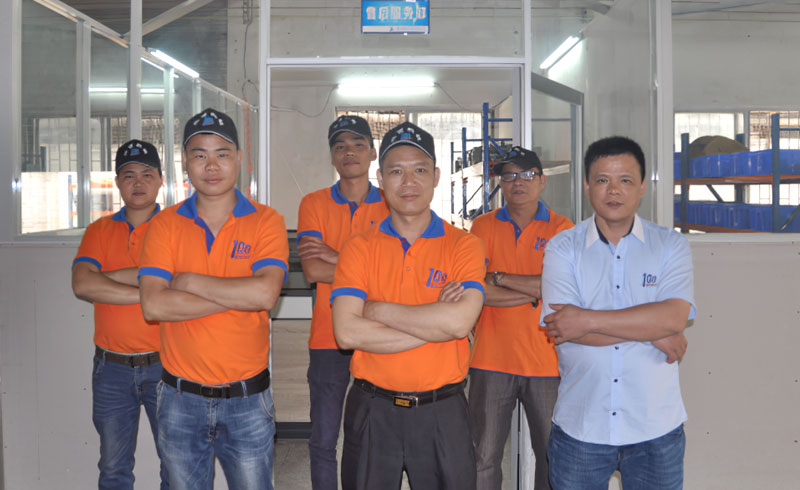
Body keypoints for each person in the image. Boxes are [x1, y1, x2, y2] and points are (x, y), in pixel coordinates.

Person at [138, 108, 289, 490]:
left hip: (248, 399)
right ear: (185, 162)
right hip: (179, 398)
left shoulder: (266, 221)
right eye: (200, 154)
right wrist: (240, 294)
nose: (211, 165)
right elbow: (154, 305)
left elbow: (266, 293)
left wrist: (188, 281)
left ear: (238, 158)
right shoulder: (165, 224)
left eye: (222, 154)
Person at [331, 122, 485, 490]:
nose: (409, 182)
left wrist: (376, 309)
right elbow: (347, 332)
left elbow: (460, 322)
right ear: (381, 180)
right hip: (373, 409)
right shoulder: (359, 247)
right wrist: (436, 323)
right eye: (397, 171)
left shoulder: (463, 245)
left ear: (436, 177)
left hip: (442, 411)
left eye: (419, 170)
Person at [541, 136, 695, 490]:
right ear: (587, 186)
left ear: (642, 187)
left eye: (625, 180)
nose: (613, 190)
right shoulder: (563, 247)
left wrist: (587, 319)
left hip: (656, 427)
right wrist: (653, 332)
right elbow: (563, 327)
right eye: (602, 180)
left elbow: (674, 317)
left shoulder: (670, 245)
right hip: (582, 425)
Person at [468, 146, 573, 490]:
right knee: (483, 457)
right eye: (509, 175)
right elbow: (475, 290)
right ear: (500, 183)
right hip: (490, 359)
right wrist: (536, 292)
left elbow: (563, 289)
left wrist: (499, 277)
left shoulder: (562, 229)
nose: (518, 182)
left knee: (552, 456)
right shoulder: (482, 227)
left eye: (527, 174)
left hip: (547, 361)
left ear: (542, 181)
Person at [297, 115, 389, 490]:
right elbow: (313, 270)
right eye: (340, 146)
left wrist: (337, 257)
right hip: (327, 339)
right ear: (333, 156)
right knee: (323, 439)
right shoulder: (313, 203)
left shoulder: (391, 204)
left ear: (372, 153)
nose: (349, 152)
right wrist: (370, 270)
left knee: (373, 437)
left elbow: (398, 274)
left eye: (357, 145)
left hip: (377, 335)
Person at [72, 139, 168, 490]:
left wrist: (107, 278)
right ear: (117, 182)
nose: (138, 183)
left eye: (147, 174)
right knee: (113, 470)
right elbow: (82, 284)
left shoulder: (176, 227)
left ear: (160, 180)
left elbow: (178, 281)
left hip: (167, 367)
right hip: (110, 368)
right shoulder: (99, 230)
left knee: (177, 466)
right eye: (129, 175)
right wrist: (149, 293)